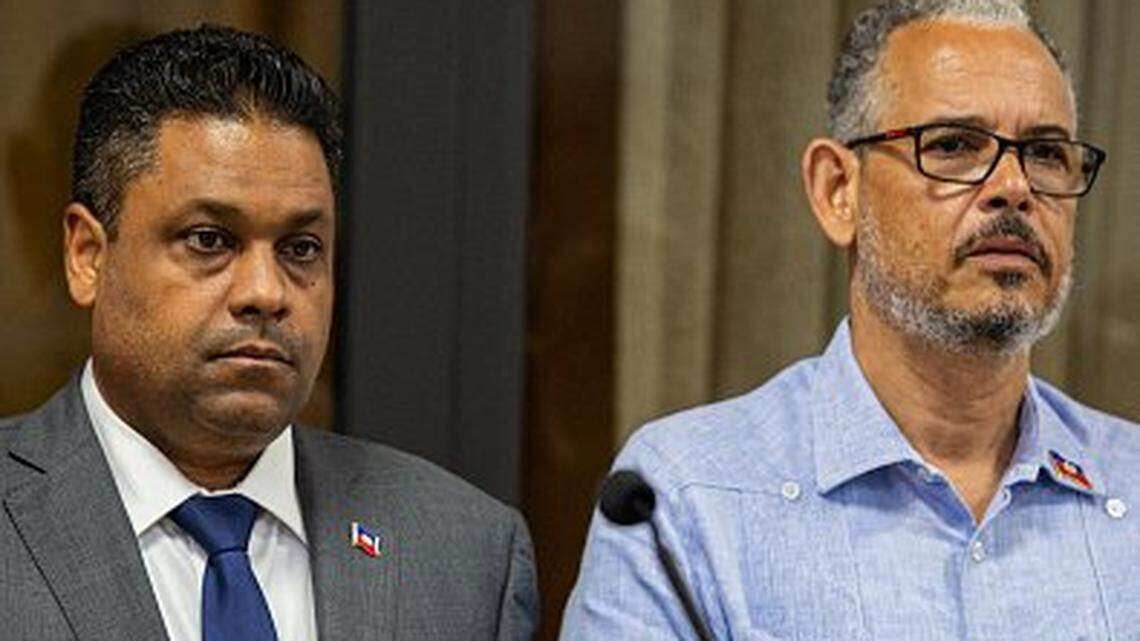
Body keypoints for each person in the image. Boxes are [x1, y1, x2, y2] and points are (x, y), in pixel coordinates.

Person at [561, 1, 1140, 639]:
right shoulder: (689, 498)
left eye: (1047, 154)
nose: (1014, 187)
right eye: (952, 146)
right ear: (838, 190)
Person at [0, 25, 537, 641]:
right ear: (88, 256)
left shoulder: (466, 554)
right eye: (209, 240)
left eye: (300, 248)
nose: (266, 292)